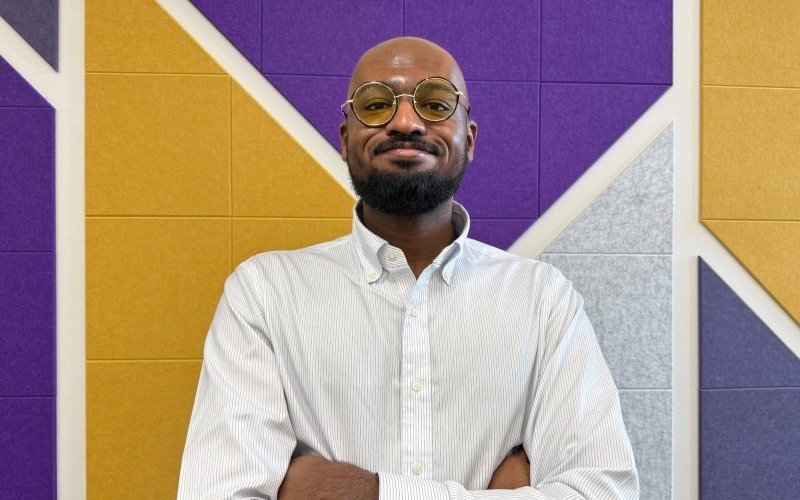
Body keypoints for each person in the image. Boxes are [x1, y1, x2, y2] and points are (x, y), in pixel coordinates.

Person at [178, 37, 638, 499]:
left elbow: (602, 491)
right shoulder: (263, 295)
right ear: (344, 140)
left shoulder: (543, 299)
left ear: (469, 139)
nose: (405, 122)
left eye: (435, 103)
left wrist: (364, 491)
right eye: (376, 104)